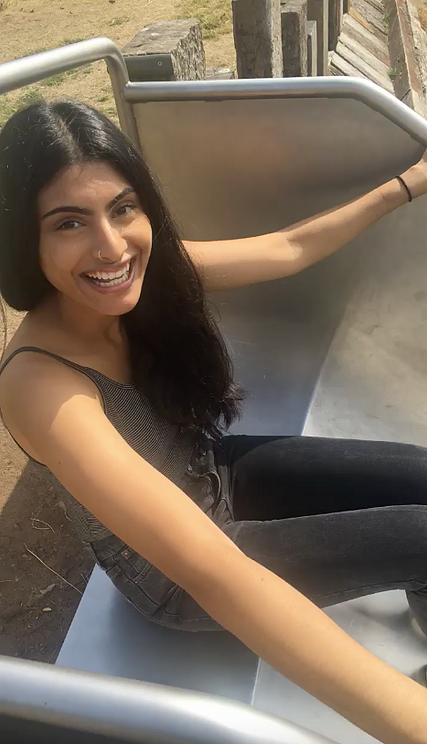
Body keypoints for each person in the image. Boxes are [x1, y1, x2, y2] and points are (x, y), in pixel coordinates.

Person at [0, 99, 427, 743]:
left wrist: (411, 181)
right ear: (23, 242)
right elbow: (216, 574)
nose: (111, 245)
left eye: (123, 208)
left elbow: (288, 247)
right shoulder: (39, 383)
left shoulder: (137, 278)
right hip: (176, 580)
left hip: (215, 474)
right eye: (68, 223)